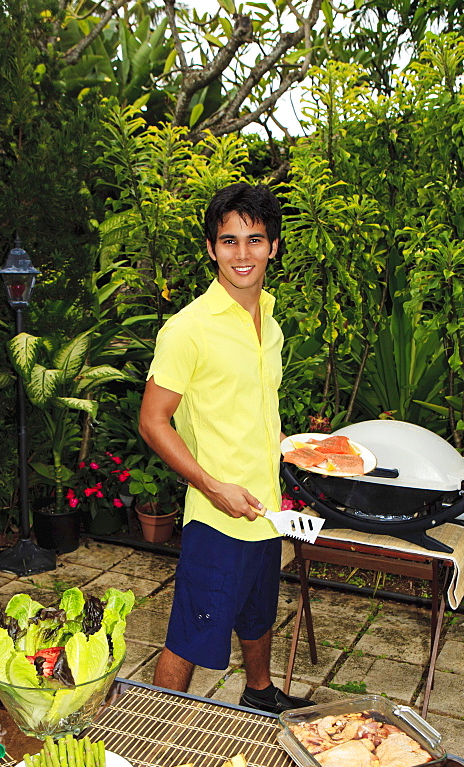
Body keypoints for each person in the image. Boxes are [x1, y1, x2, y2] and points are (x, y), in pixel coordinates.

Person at [138, 181, 314, 713]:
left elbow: (253, 411)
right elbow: (152, 420)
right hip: (217, 514)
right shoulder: (187, 329)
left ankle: (259, 692)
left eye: (255, 240)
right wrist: (211, 486)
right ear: (212, 248)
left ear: (274, 247)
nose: (243, 254)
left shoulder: (272, 326)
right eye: (230, 241)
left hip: (265, 507)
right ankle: (142, 735)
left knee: (259, 612)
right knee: (190, 636)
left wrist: (293, 446)